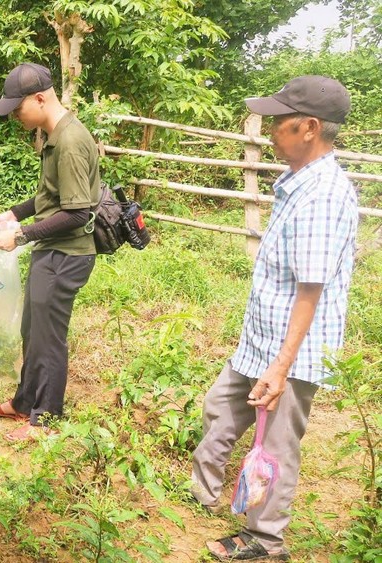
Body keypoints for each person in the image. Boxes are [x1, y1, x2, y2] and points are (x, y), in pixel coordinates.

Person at [191, 76, 358, 561]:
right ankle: (203, 494)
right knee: (220, 408)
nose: (270, 132)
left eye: (279, 123)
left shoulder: (323, 195)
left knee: (278, 444)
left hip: (291, 351)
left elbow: (310, 290)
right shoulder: (297, 182)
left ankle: (265, 540)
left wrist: (281, 367)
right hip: (261, 339)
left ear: (309, 128)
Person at [0, 63, 100, 442]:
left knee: (48, 338)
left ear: (39, 99)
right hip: (51, 250)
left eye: (18, 108)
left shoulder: (70, 142)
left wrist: (20, 235)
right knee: (32, 330)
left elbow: (77, 212)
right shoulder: (55, 136)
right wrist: (15, 214)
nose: (15, 115)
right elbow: (53, 196)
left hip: (67, 255)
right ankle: (24, 402)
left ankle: (45, 420)